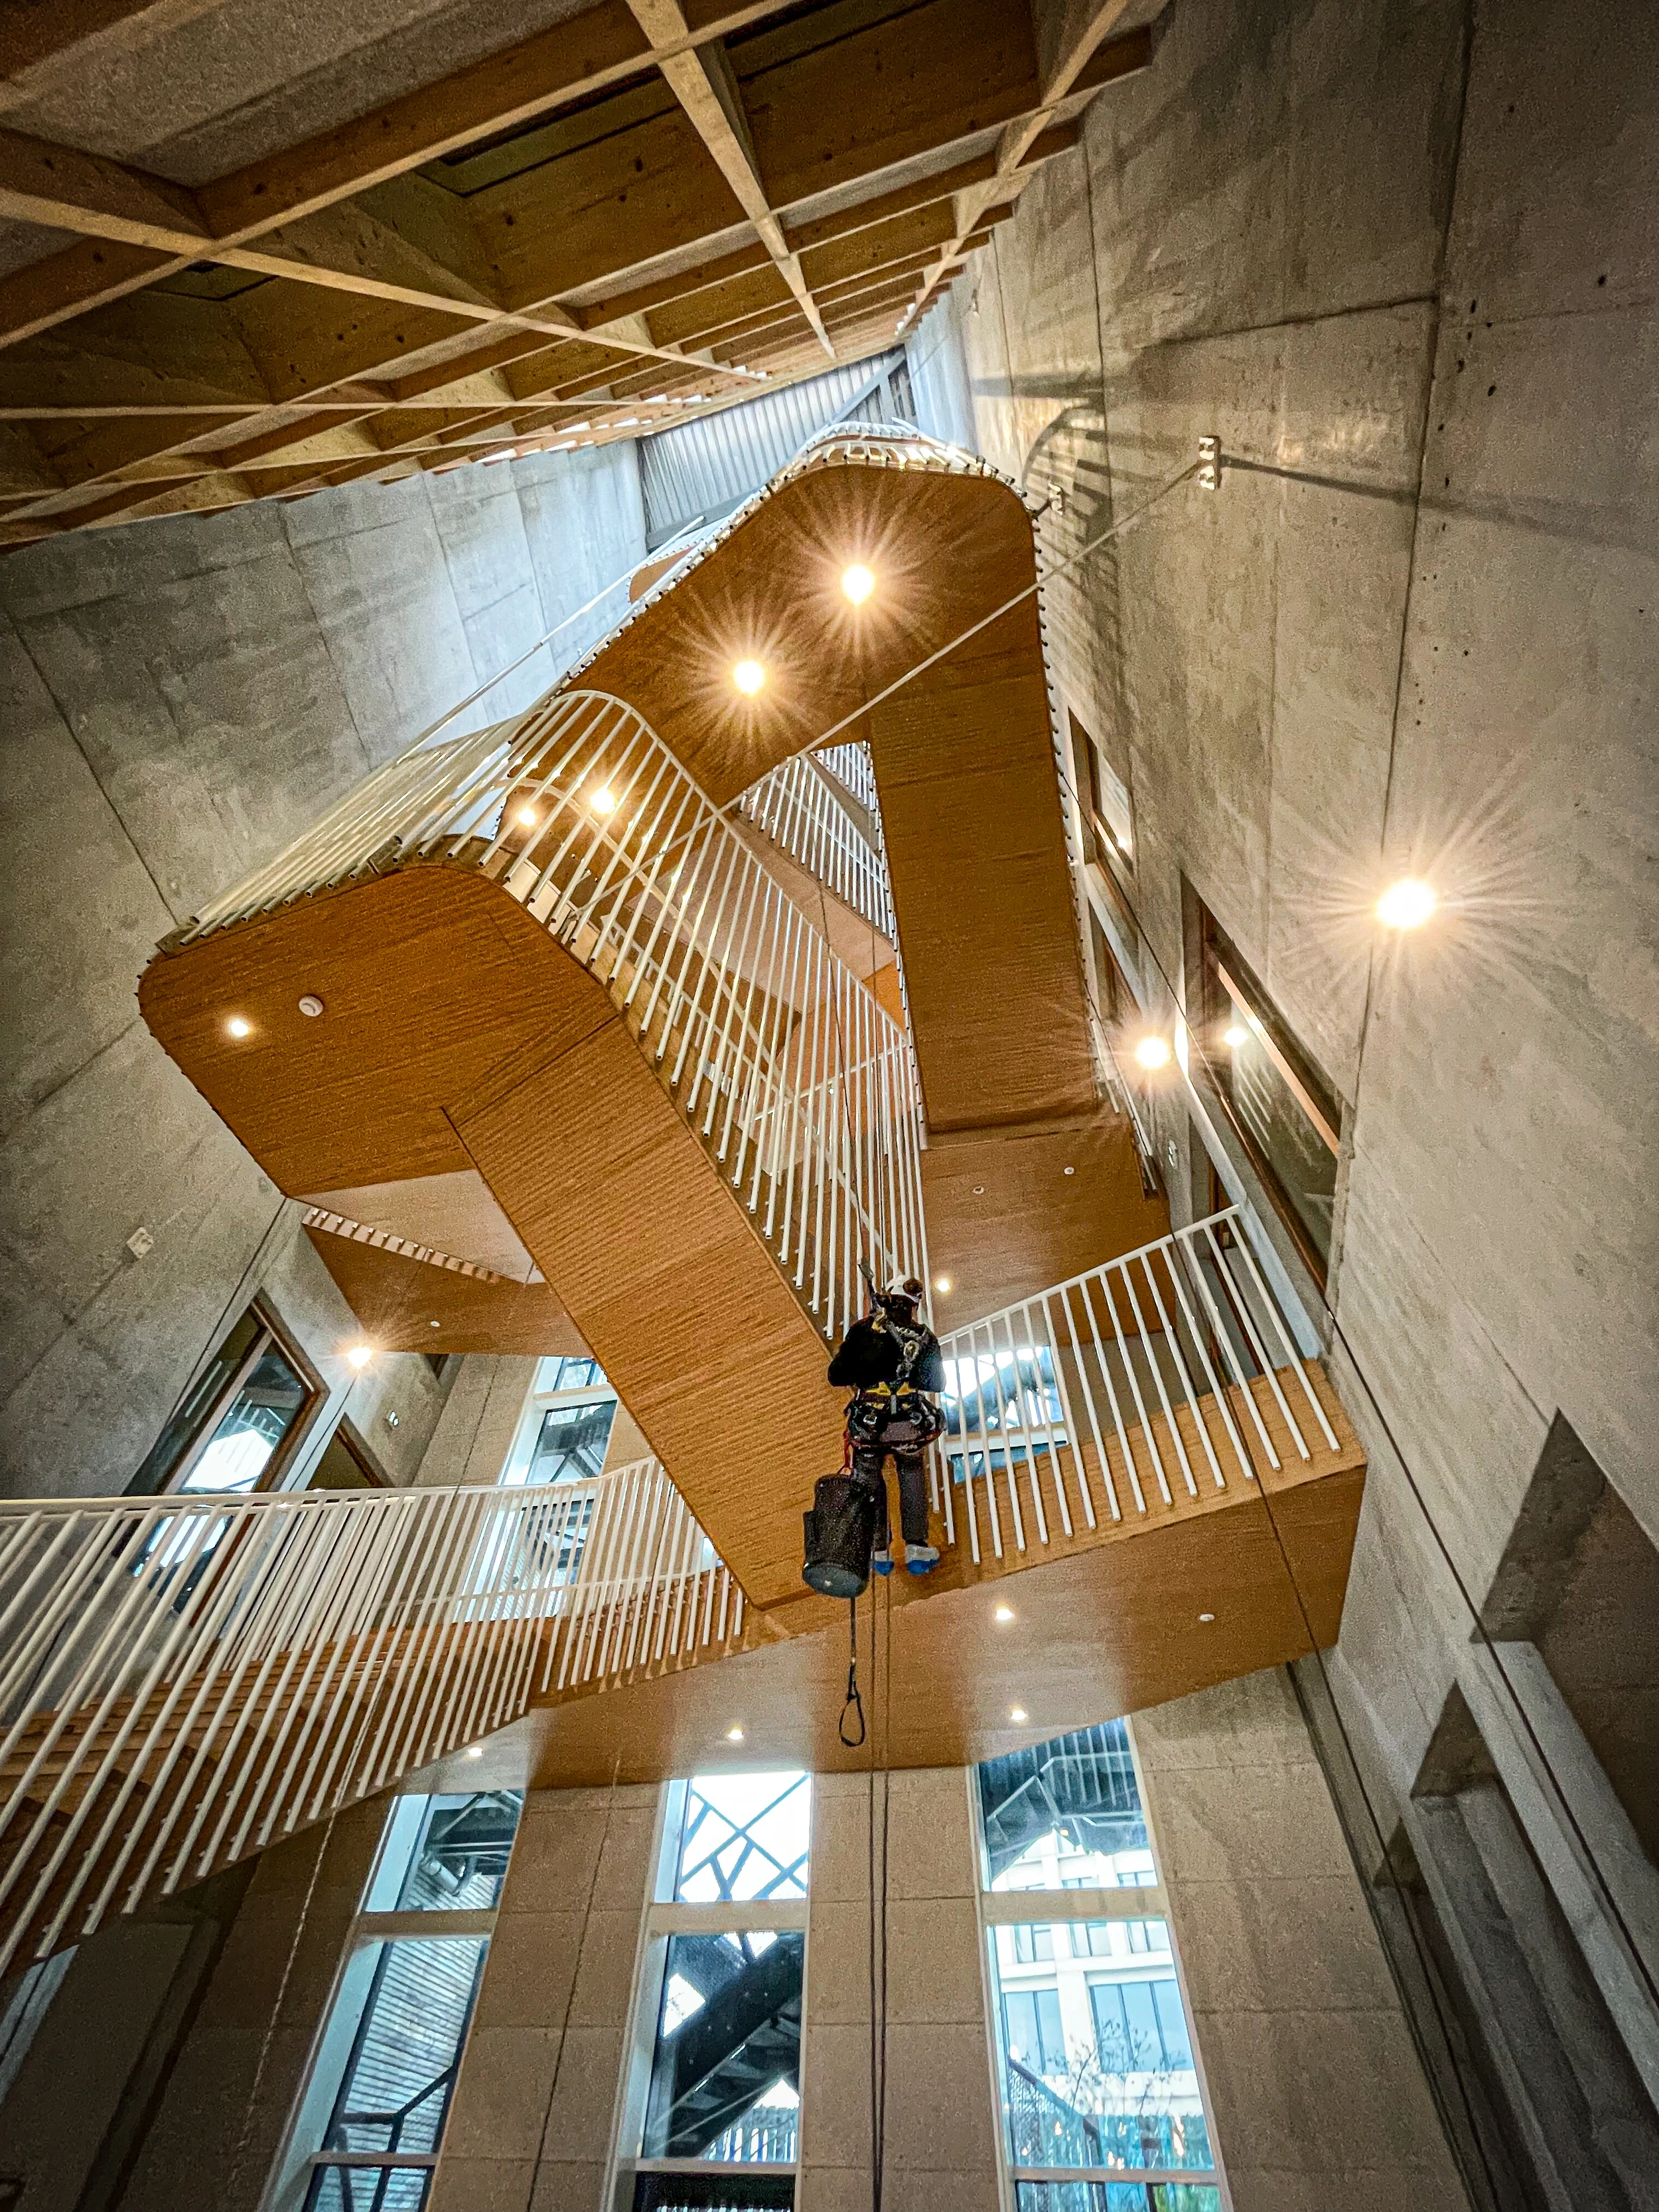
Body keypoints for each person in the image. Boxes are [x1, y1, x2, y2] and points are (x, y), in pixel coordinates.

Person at [828, 1275, 946, 1576]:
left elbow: (836, 1376)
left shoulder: (864, 1330)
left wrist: (864, 1361)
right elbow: (935, 1383)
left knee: (868, 1478)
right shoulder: (924, 1337)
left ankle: (878, 1551)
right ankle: (917, 1547)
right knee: (911, 1472)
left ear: (887, 1298)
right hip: (908, 1424)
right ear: (914, 1305)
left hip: (869, 1425)